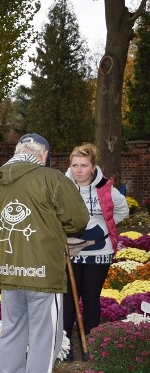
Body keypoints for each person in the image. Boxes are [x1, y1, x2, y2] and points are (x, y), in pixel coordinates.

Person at [0, 133, 89, 373]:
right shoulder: (52, 179)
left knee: (13, 328)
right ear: (43, 156)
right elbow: (78, 220)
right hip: (44, 272)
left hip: (11, 269)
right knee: (45, 336)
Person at [62, 143, 129, 361]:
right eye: (74, 165)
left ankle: (91, 342)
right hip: (70, 250)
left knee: (91, 297)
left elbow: (122, 210)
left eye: (83, 165)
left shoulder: (106, 188)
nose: (78, 170)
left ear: (93, 167)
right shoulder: (62, 188)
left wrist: (104, 228)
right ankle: (65, 346)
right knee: (68, 299)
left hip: (98, 252)